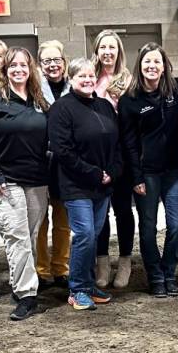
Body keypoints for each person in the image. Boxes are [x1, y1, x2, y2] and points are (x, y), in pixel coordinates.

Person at [118, 42, 178, 298]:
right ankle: (155, 277)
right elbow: (129, 144)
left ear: (164, 65)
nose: (152, 66)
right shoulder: (130, 101)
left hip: (174, 172)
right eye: (147, 62)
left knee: (177, 226)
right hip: (146, 173)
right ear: (140, 66)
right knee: (147, 228)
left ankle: (169, 273)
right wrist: (136, 177)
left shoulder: (175, 89)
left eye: (157, 61)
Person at [0, 46, 51, 321]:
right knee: (17, 236)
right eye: (13, 65)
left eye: (24, 65)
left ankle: (21, 286)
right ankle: (27, 296)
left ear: (31, 70)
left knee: (28, 236)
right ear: (4, 69)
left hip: (36, 179)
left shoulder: (38, 99)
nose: (19, 69)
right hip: (4, 181)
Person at [48, 57, 122, 311]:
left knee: (94, 236)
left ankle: (89, 285)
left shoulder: (103, 105)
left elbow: (116, 143)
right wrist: (93, 173)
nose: (88, 80)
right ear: (71, 79)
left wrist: (112, 171)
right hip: (76, 184)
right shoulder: (61, 108)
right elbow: (63, 150)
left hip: (102, 185)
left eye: (91, 76)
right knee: (85, 235)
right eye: (82, 76)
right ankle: (77, 288)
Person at [93, 29, 135, 289]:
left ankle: (126, 261)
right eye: (102, 47)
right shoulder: (89, 76)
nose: (107, 52)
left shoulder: (129, 81)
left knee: (122, 210)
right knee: (100, 212)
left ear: (119, 51)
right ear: (96, 51)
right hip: (97, 155)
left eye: (112, 47)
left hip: (122, 154)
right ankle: (102, 262)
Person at [35, 40, 71, 290]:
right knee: (40, 218)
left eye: (56, 60)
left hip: (65, 163)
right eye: (47, 61)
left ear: (64, 61)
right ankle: (41, 269)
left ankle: (61, 268)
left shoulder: (74, 87)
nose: (52, 65)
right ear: (40, 65)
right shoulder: (33, 90)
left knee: (62, 218)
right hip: (38, 161)